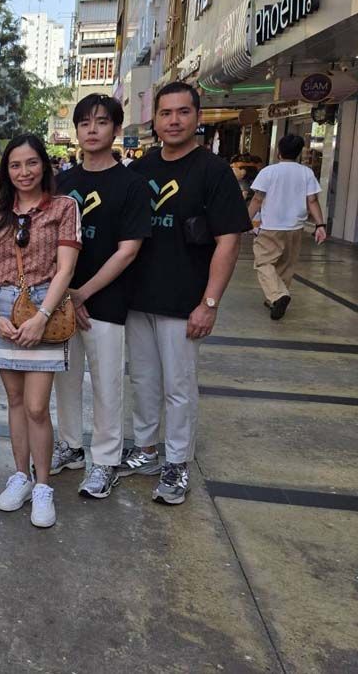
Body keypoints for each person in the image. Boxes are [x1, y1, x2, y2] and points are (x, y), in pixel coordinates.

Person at [122, 81, 251, 505]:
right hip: (138, 298)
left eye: (182, 112)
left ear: (197, 117)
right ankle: (145, 450)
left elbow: (229, 240)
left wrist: (209, 303)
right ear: (154, 120)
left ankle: (177, 462)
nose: (173, 121)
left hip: (185, 303)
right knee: (143, 380)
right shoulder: (140, 169)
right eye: (165, 113)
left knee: (178, 386)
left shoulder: (213, 171)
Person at [0, 134, 80, 528]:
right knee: (15, 400)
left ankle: (43, 485)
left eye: (31, 163)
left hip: (44, 309)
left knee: (37, 406)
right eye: (15, 165)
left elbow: (65, 268)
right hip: (1, 308)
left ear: (44, 165)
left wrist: (43, 316)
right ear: (6, 171)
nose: (24, 172)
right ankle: (20, 475)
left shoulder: (64, 207)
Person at [53, 94, 151, 499]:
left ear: (116, 128)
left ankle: (106, 460)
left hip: (106, 302)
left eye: (101, 122)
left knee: (107, 384)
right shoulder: (62, 184)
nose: (92, 130)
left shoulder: (131, 184)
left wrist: (83, 293)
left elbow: (128, 251)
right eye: (85, 123)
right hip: (60, 301)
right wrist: (65, 295)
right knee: (64, 379)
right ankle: (70, 446)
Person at [248, 133, 328, 320]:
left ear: (279, 151)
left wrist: (244, 221)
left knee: (264, 262)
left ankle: (278, 296)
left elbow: (258, 199)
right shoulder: (306, 173)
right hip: (295, 227)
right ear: (299, 153)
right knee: (285, 265)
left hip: (271, 226)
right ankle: (274, 300)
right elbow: (312, 201)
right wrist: (320, 224)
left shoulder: (268, 172)